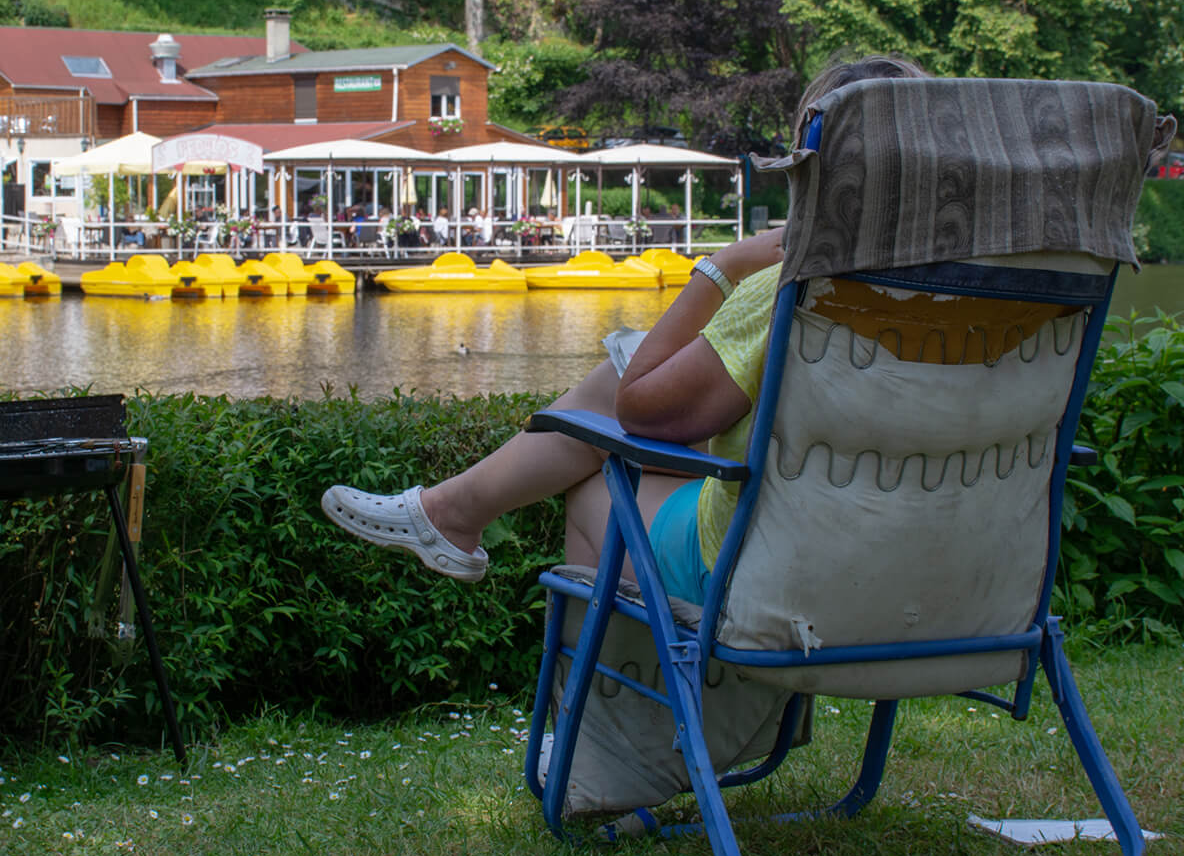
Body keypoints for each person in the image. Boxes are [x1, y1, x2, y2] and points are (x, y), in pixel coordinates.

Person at [322, 55, 963, 602]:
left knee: (601, 480)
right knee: (632, 410)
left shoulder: (793, 292)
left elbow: (643, 411)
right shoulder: (1002, 298)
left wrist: (723, 267)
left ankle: (594, 740)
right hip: (947, 577)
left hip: (787, 574)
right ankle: (450, 511)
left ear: (812, 166)